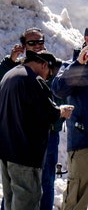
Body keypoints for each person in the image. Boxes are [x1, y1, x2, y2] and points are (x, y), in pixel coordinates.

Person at [0, 27, 64, 210]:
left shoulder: (51, 64)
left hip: (48, 134)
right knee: (21, 188)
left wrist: (57, 119)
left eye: (40, 41)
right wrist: (10, 60)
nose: (38, 46)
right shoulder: (20, 69)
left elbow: (62, 91)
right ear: (23, 46)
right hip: (22, 139)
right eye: (32, 43)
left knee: (45, 182)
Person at [51, 45, 88, 210]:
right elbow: (58, 89)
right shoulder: (71, 66)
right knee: (76, 200)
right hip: (82, 144)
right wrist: (79, 64)